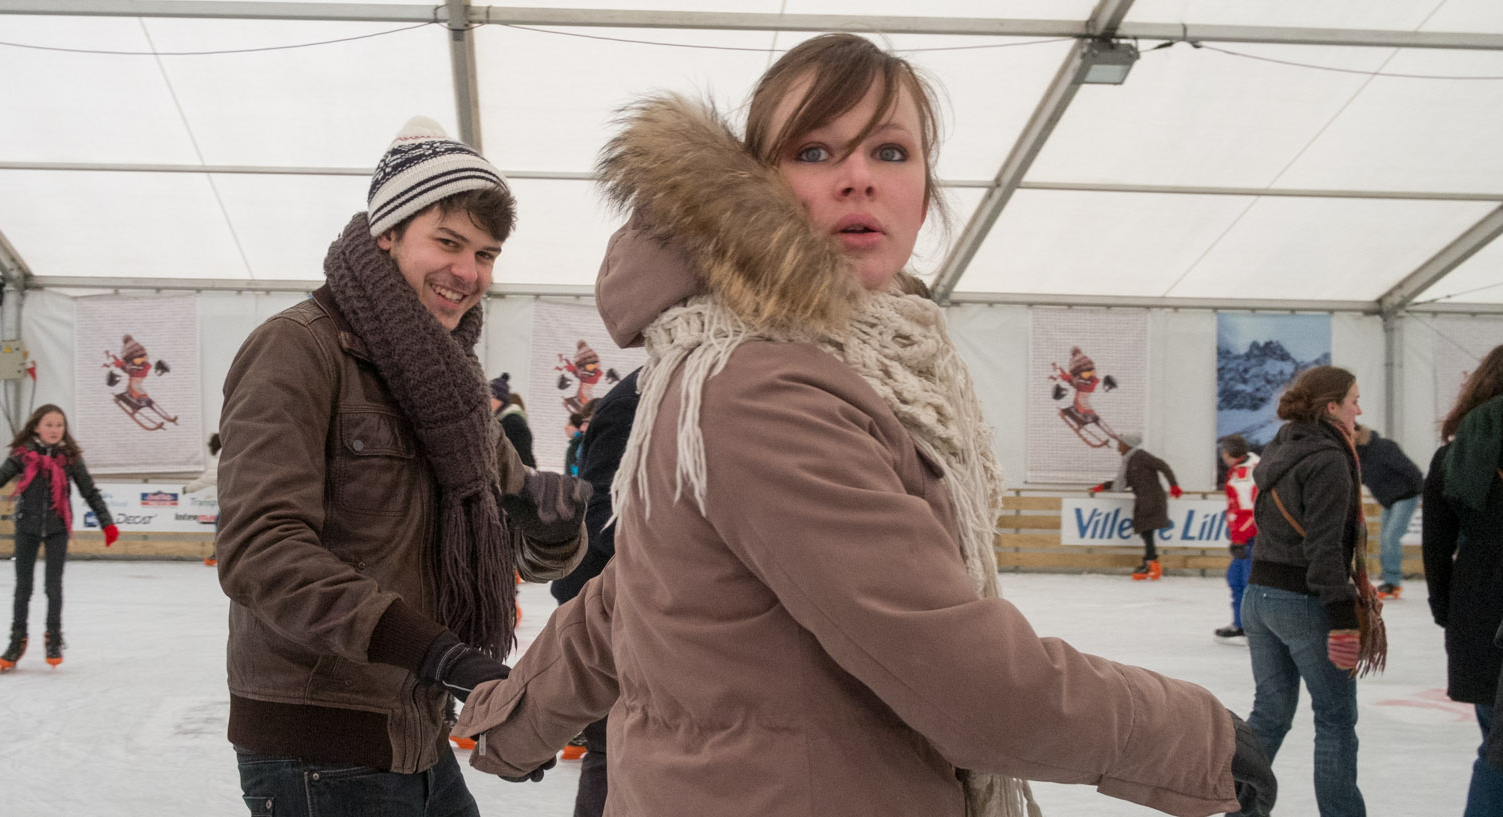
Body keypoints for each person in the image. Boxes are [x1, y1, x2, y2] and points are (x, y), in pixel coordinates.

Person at [453, 33, 1270, 817]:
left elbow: (633, 594)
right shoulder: (763, 385)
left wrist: (514, 723)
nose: (858, 179)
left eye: (890, 151)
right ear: (753, 187)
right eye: (814, 152)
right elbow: (962, 677)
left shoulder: (815, 362)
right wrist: (1194, 737)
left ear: (926, 185)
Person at [213, 116, 591, 817]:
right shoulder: (298, 350)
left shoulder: (452, 381)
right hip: (319, 744)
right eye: (447, 242)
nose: (468, 272)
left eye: (486, 253)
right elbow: (259, 549)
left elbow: (519, 543)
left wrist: (551, 522)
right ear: (386, 234)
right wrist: (438, 653)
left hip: (415, 729)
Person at [1243, 364, 1378, 817]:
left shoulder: (1279, 447)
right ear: (1331, 407)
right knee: (1337, 720)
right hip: (1303, 601)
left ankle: (1238, 811)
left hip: (1258, 595)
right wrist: (1343, 621)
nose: (1359, 410)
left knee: (1270, 714)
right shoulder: (1329, 460)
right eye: (1354, 400)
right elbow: (1324, 550)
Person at [0, 404, 118, 670]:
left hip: (57, 528)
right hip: (26, 527)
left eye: (59, 425)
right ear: (37, 426)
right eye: (49, 424)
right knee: (23, 588)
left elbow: (90, 491)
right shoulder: (23, 455)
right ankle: (17, 640)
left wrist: (107, 524)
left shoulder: (70, 458)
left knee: (53, 588)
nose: (54, 430)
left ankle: (53, 637)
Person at [548, 366, 638, 817]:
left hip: (648, 614)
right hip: (619, 615)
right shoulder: (639, 394)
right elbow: (603, 513)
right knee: (613, 755)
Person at [1423, 344, 1503, 816]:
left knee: (1496, 743)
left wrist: (1446, 612)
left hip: (1478, 610)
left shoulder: (1451, 459)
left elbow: (1436, 549)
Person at [1090, 431, 1185, 580]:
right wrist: (1104, 486)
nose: (1118, 448)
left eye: (1120, 445)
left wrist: (1174, 486)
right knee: (1146, 533)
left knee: (1147, 532)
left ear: (1128, 445)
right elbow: (1127, 481)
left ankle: (1151, 565)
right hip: (1144, 500)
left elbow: (1163, 465)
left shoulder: (1141, 456)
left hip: (1152, 500)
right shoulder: (1130, 460)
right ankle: (1150, 563)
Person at [1354, 425, 1422, 600]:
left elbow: (1409, 469)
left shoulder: (1383, 447)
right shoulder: (1357, 455)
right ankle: (1389, 581)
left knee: (1390, 538)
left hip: (1405, 497)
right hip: (1389, 502)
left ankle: (1392, 582)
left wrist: (1422, 491)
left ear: (1358, 433)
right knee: (1384, 540)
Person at [1218, 434, 1260, 641]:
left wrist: (1239, 539)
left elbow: (1248, 511)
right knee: (1237, 579)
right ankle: (1242, 624)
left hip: (1250, 538)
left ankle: (1250, 627)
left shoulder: (1244, 475)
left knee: (1245, 583)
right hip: (1250, 536)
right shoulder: (1251, 465)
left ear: (1227, 453)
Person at [186, 433, 221, 567]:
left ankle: (220, 553)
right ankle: (219, 553)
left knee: (220, 524)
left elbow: (207, 479)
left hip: (232, 500)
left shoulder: (220, 458)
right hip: (237, 499)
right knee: (220, 523)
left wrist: (188, 488)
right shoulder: (232, 454)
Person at [489, 373, 535, 467]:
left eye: (489, 397)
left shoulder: (512, 422)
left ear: (498, 399)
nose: (486, 400)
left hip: (517, 477)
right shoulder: (502, 420)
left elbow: (523, 457)